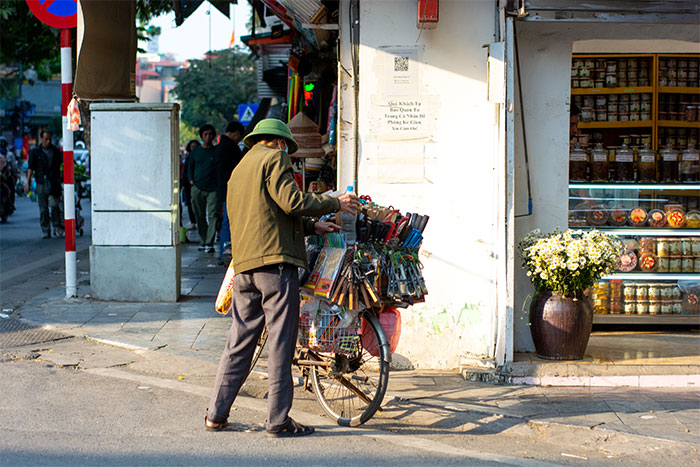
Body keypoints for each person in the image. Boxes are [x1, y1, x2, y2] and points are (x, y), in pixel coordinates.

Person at [205, 118, 360, 437]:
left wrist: (310, 227)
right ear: (277, 143)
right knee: (280, 342)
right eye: (287, 149)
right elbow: (292, 201)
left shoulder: (239, 172)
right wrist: (335, 202)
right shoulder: (274, 159)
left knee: (240, 340)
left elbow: (265, 215)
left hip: (245, 268)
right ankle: (278, 420)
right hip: (275, 266)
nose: (287, 155)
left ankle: (215, 414)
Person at [214, 121, 244, 262]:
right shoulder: (231, 147)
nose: (239, 139)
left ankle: (225, 252)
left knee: (226, 221)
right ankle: (226, 253)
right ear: (236, 133)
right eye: (239, 136)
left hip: (222, 190)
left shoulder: (220, 147)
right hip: (231, 191)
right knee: (229, 221)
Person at [25, 131, 63, 238]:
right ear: (41, 139)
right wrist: (27, 183)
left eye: (50, 139)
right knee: (43, 208)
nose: (48, 141)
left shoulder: (55, 151)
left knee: (55, 206)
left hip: (54, 182)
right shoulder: (35, 152)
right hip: (41, 182)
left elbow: (60, 165)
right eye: (46, 139)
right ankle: (46, 230)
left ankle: (57, 227)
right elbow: (30, 168)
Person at [188, 125, 218, 253]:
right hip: (198, 187)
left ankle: (210, 242)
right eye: (205, 134)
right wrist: (191, 181)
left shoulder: (216, 151)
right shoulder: (196, 151)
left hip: (213, 188)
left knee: (213, 215)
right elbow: (190, 166)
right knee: (199, 214)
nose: (208, 137)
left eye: (210, 134)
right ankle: (204, 239)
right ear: (201, 136)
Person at [181, 139, 199, 230]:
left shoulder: (199, 157)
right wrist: (184, 184)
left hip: (199, 184)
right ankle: (193, 222)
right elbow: (185, 172)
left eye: (196, 146)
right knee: (190, 204)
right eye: (192, 147)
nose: (194, 148)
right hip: (189, 185)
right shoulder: (188, 158)